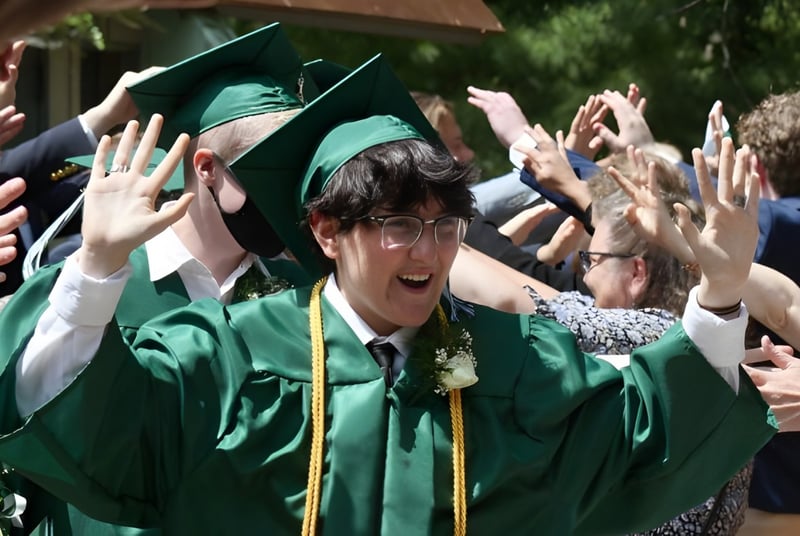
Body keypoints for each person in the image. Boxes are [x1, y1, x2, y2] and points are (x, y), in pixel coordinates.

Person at [0, 53, 776, 535]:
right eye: (399, 224)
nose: (429, 253)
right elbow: (72, 410)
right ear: (327, 232)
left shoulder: (489, 360)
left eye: (446, 229)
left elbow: (646, 431)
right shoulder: (232, 356)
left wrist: (722, 290)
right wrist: (98, 265)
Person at [0, 23, 318, 535]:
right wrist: (98, 266)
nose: (290, 188)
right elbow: (28, 417)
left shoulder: (303, 299)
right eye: (270, 167)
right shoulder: (89, 282)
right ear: (208, 169)